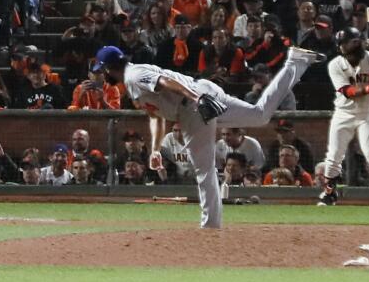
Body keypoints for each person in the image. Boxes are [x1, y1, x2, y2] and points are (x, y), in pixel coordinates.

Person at [93, 41, 320, 229]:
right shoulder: (134, 79)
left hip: (193, 105)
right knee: (259, 115)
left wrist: (196, 99)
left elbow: (167, 82)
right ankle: (296, 61)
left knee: (204, 170)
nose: (101, 74)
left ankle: (210, 225)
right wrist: (155, 149)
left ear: (107, 67)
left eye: (101, 70)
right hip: (202, 94)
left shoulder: (133, 76)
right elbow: (157, 116)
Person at [317, 29, 369, 206]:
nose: (354, 44)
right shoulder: (335, 65)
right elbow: (348, 91)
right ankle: (329, 193)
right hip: (343, 113)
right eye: (349, 42)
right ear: (341, 47)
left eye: (356, 41)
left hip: (367, 115)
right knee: (333, 157)